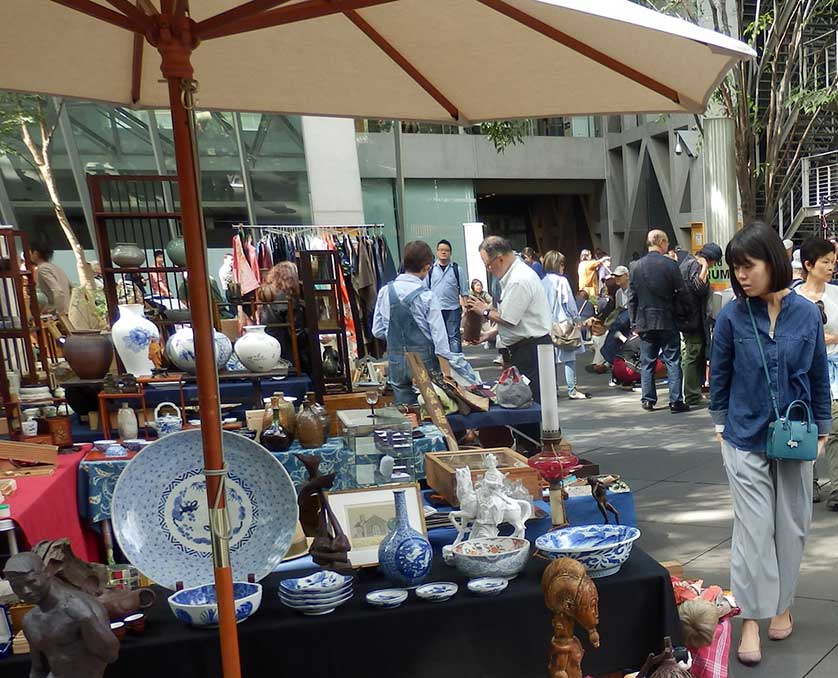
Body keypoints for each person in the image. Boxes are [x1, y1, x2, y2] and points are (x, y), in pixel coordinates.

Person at [710, 222, 831, 667]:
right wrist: (720, 425)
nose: (740, 275)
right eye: (735, 268)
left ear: (772, 263)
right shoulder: (731, 316)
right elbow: (718, 374)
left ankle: (781, 604)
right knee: (753, 531)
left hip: (796, 437)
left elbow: (818, 375)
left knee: (792, 526)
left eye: (748, 265)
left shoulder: (806, 314)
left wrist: (823, 428)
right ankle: (751, 620)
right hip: (744, 436)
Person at [3, 552, 119, 678]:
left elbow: (111, 655)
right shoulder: (30, 621)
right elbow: (38, 670)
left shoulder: (82, 607)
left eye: (31, 581)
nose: (26, 591)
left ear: (47, 572)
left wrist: (87, 619)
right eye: (17, 586)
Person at [466, 235, 552, 402]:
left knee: (528, 403)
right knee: (522, 401)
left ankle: (533, 429)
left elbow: (509, 318)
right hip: (525, 348)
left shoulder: (518, 279)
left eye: (488, 265)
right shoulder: (514, 276)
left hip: (530, 350)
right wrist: (489, 335)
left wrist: (484, 311)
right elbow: (518, 318)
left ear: (500, 259)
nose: (489, 269)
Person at [373, 240, 453, 404]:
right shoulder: (427, 296)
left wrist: (396, 340)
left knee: (407, 412)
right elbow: (440, 339)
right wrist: (447, 374)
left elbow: (377, 330)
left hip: (397, 360)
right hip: (424, 361)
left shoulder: (385, 292)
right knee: (432, 410)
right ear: (427, 267)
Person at [795, 238, 838, 508]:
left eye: (833, 262)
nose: (831, 267)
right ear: (809, 265)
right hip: (801, 372)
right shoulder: (792, 298)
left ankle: (837, 489)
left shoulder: (836, 295)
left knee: (835, 430)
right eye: (826, 262)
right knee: (804, 429)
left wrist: (832, 339)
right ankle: (806, 484)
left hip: (834, 370)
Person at [627, 229, 689, 413]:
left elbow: (631, 298)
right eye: (667, 242)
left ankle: (648, 399)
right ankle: (675, 401)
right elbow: (682, 291)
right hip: (667, 318)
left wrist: (633, 323)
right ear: (661, 242)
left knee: (648, 361)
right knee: (673, 360)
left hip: (645, 320)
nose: (667, 246)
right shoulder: (670, 265)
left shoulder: (635, 267)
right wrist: (683, 313)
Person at [676, 243, 723, 407]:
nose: (713, 265)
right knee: (693, 355)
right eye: (714, 262)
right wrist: (704, 268)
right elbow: (698, 288)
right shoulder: (696, 266)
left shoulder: (686, 263)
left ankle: (689, 391)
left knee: (688, 355)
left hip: (685, 319)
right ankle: (691, 394)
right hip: (693, 319)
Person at [542, 250, 590, 399]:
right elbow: (568, 302)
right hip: (563, 323)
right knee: (569, 357)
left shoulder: (542, 281)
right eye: (562, 264)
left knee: (551, 359)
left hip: (548, 324)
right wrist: (577, 319)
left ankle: (553, 389)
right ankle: (572, 389)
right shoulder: (562, 281)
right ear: (558, 264)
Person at [262, 261, 309, 374]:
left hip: (273, 352)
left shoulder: (271, 295)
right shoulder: (287, 300)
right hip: (290, 357)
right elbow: (296, 333)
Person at [427, 239, 466, 353]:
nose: (444, 252)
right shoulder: (430, 270)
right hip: (435, 310)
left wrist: (466, 310)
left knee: (453, 338)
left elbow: (464, 292)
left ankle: (456, 366)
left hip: (453, 309)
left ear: (450, 253)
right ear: (437, 252)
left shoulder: (457, 269)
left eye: (446, 250)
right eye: (441, 250)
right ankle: (440, 365)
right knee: (437, 338)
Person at [29, 240, 71, 315]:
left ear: (35, 253)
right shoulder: (55, 267)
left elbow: (58, 291)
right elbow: (70, 287)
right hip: (68, 310)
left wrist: (54, 310)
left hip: (59, 314)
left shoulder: (43, 269)